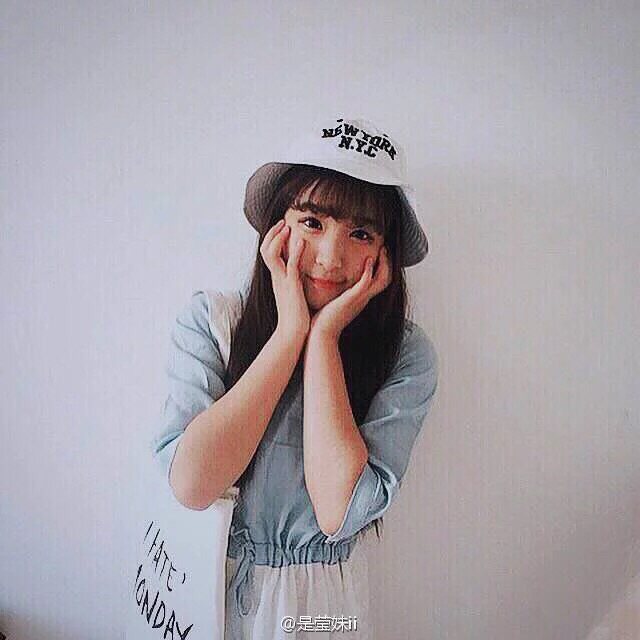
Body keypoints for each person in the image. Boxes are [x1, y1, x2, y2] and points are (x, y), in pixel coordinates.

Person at [151, 117, 439, 639]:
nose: (330, 257)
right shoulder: (213, 323)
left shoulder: (405, 354)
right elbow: (193, 486)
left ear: (385, 254)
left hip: (324, 611)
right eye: (312, 221)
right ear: (277, 227)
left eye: (361, 233)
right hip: (202, 591)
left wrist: (323, 338)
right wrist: (290, 334)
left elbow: (337, 511)